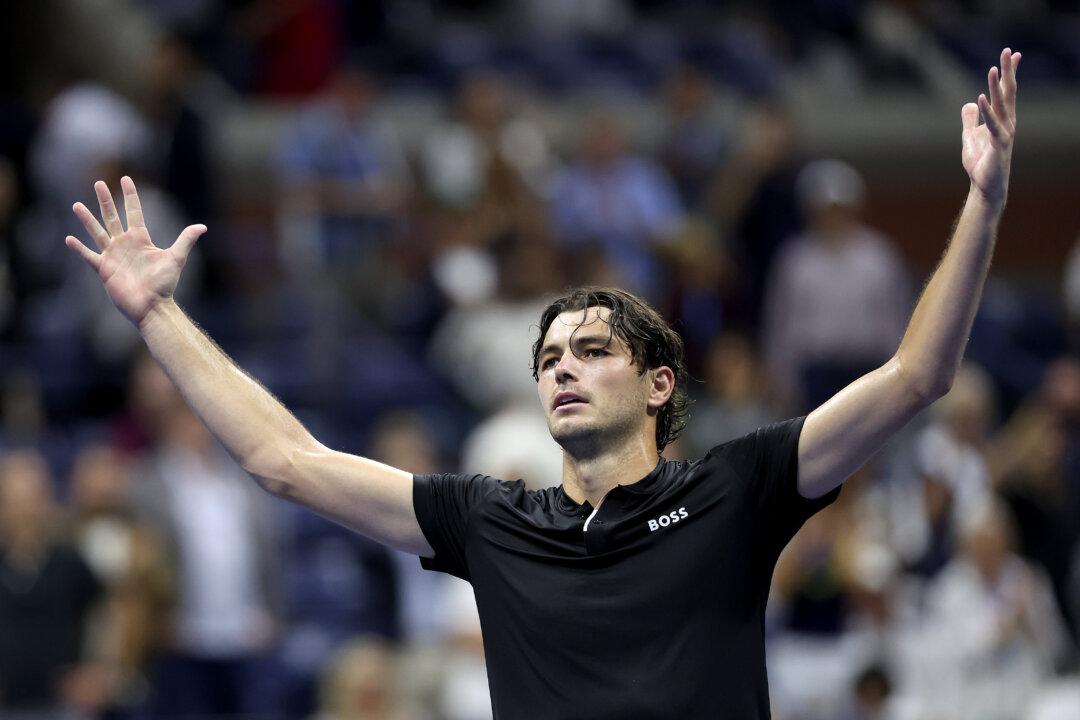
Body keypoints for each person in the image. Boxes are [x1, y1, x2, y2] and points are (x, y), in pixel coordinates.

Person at [64, 49, 1022, 719]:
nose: (562, 365)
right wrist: (158, 316)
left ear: (657, 386)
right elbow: (284, 460)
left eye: (593, 349)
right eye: (549, 357)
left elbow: (914, 377)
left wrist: (982, 204)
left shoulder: (736, 489)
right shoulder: (491, 521)